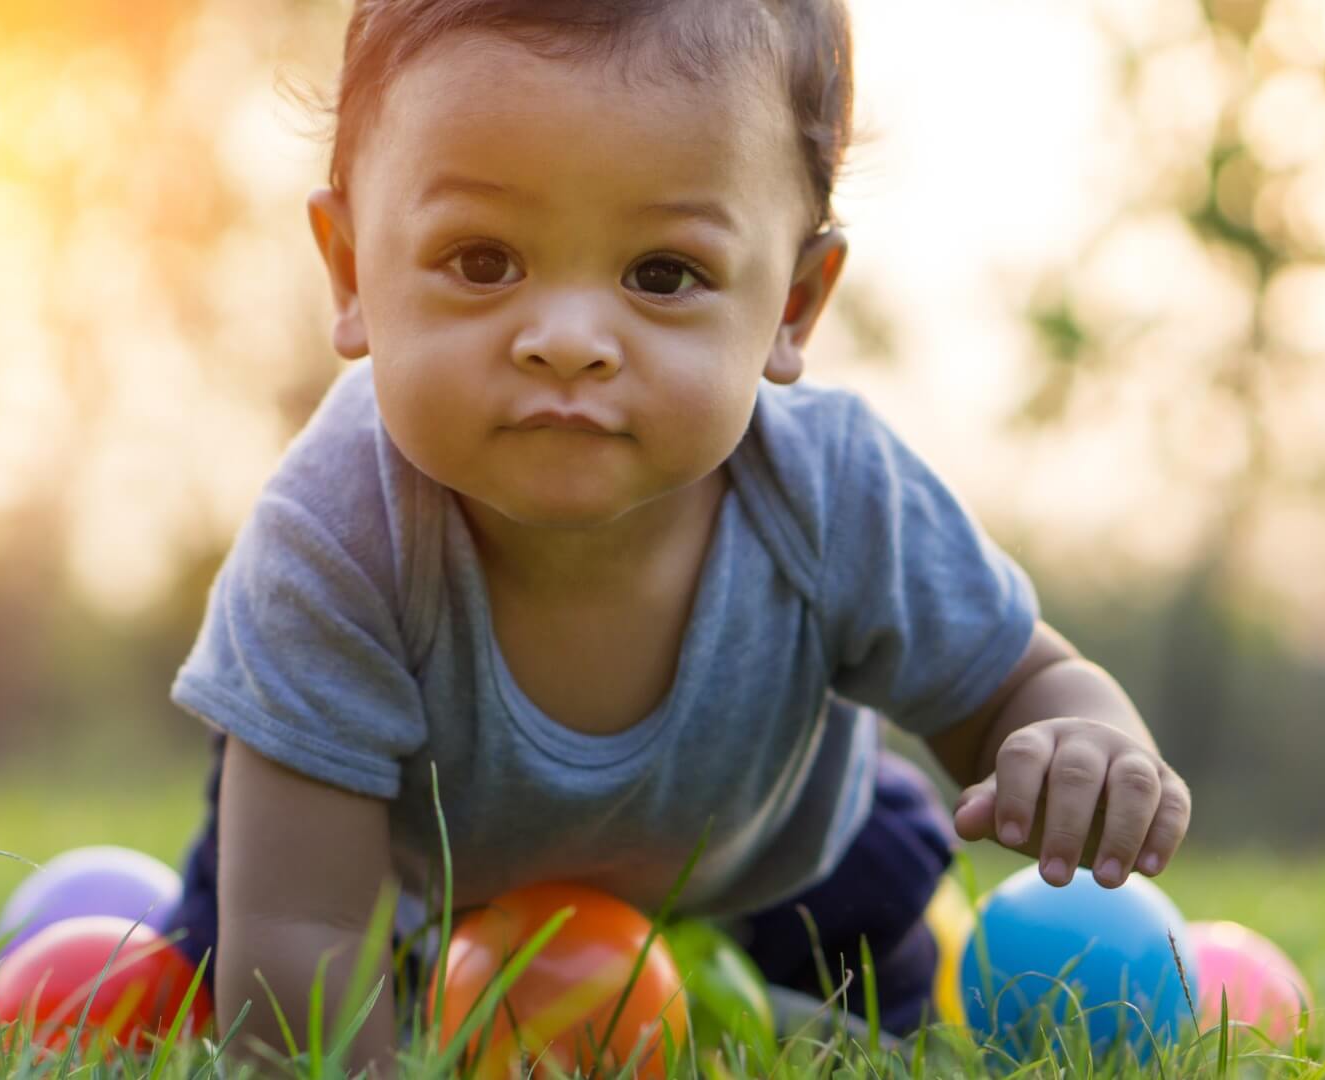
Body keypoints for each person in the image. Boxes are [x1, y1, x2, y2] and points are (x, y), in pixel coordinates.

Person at [164, 0, 1192, 1072]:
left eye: (662, 274)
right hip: (405, 884)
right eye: (481, 260)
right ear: (351, 271)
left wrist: (1084, 738)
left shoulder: (838, 494)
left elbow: (1021, 685)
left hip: (780, 867)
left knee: (884, 977)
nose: (566, 342)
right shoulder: (333, 538)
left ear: (793, 306)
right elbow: (309, 936)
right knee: (228, 977)